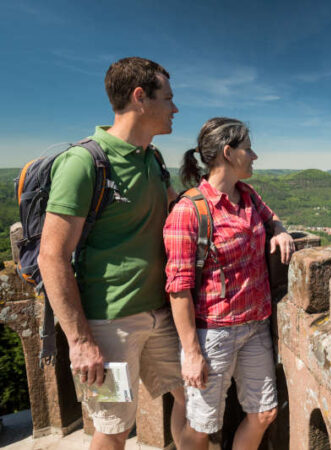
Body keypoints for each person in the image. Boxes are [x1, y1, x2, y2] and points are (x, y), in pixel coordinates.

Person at [38, 57, 186, 449]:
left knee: (195, 399)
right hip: (107, 326)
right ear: (140, 97)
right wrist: (80, 341)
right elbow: (51, 256)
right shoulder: (83, 163)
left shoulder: (152, 159)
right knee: (114, 427)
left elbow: (178, 214)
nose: (175, 108)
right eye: (168, 98)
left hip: (161, 315)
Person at [164, 117, 294, 450]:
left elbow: (271, 216)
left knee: (264, 414)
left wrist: (279, 231)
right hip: (213, 334)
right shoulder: (189, 211)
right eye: (248, 149)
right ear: (228, 152)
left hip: (255, 326)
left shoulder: (248, 195)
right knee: (201, 427)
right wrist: (192, 353)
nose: (255, 156)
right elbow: (178, 288)